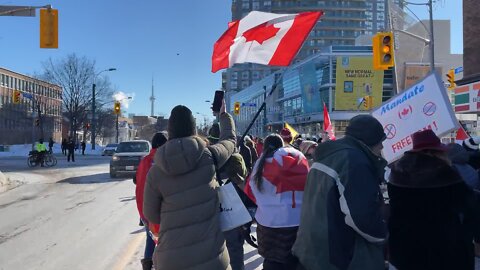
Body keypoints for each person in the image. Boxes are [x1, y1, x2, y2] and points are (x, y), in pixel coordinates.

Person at [143, 99, 235, 270]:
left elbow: (151, 215)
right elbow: (230, 140)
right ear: (194, 129)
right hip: (213, 258)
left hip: (170, 260)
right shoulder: (209, 157)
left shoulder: (155, 172)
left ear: (170, 131)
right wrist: (223, 116)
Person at [293, 114, 388, 270]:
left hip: (313, 251)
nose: (382, 147)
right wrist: (383, 234)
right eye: (380, 142)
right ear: (369, 141)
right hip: (337, 257)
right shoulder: (355, 161)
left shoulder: (328, 156)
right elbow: (361, 217)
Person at [388, 130, 480, 270]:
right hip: (444, 248)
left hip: (404, 248)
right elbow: (470, 207)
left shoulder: (397, 173)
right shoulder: (446, 174)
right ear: (433, 153)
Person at [244, 134, 309, 270]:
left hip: (269, 227)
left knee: (272, 263)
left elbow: (249, 196)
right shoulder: (298, 159)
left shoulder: (260, 165)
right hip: (299, 225)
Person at [135, 132, 168, 270]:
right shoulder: (163, 162)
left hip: (144, 210)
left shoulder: (144, 161)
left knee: (150, 239)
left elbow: (137, 180)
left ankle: (148, 266)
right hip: (159, 211)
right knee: (164, 242)